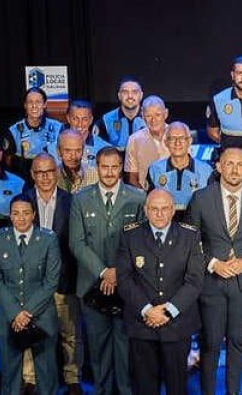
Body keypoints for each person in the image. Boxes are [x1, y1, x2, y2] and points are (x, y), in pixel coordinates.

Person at [187, 147, 242, 395]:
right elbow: (192, 243)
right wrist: (214, 263)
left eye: (240, 165)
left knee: (237, 343)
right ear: (219, 167)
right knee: (211, 344)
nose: (235, 169)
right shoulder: (201, 198)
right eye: (229, 163)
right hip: (211, 284)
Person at [70, 146, 146, 395]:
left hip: (127, 287)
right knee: (99, 350)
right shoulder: (80, 199)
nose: (110, 172)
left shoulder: (138, 198)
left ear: (121, 167)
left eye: (115, 167)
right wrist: (104, 272)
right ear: (97, 168)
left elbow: (141, 243)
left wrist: (118, 273)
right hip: (92, 287)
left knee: (125, 350)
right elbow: (77, 243)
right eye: (105, 167)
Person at [116, 189, 205, 395]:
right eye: (154, 209)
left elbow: (194, 281)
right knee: (144, 386)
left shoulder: (189, 235)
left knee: (176, 386)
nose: (159, 214)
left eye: (165, 209)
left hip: (176, 324)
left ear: (173, 210)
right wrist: (148, 310)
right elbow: (125, 279)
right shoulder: (130, 235)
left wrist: (167, 311)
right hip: (142, 324)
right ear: (145, 211)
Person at [0, 194, 62, 395]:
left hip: (42, 315)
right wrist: (15, 313)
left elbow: (51, 282)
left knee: (46, 372)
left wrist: (26, 312)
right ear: (10, 216)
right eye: (16, 213)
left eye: (26, 213)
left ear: (34, 215)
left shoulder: (48, 239)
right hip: (7, 316)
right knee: (10, 374)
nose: (21, 218)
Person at [24, 154, 83, 393]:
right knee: (31, 332)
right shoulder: (23, 201)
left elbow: (77, 243)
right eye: (40, 172)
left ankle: (72, 379)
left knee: (70, 334)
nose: (46, 177)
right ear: (32, 174)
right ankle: (30, 378)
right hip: (32, 284)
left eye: (50, 172)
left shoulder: (72, 201)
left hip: (64, 280)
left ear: (56, 173)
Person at [145, 122, 212, 216]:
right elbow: (150, 204)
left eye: (182, 138)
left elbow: (211, 205)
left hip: (196, 224)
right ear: (166, 142)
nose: (177, 143)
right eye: (172, 139)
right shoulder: (155, 169)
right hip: (165, 222)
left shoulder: (206, 170)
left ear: (190, 141)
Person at [2, 87, 65, 176]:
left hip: (52, 176)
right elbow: (8, 161)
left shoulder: (58, 127)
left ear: (45, 104)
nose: (34, 106)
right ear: (25, 105)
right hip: (24, 178)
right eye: (30, 102)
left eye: (38, 102)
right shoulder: (14, 130)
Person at [124, 96, 170, 190]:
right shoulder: (134, 140)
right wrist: (145, 197)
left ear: (165, 114)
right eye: (149, 116)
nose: (153, 120)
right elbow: (132, 177)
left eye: (157, 115)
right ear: (142, 115)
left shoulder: (178, 135)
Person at [47, 100, 107, 167]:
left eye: (85, 119)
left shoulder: (103, 148)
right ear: (68, 118)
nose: (80, 124)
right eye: (75, 119)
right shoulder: (52, 148)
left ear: (91, 120)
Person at [100, 77, 146, 150]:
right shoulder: (106, 120)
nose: (130, 96)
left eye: (135, 92)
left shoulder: (150, 118)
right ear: (119, 96)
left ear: (141, 95)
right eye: (125, 92)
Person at [55, 128, 99, 194]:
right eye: (68, 151)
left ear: (83, 151)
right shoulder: (52, 177)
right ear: (58, 151)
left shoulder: (95, 176)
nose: (73, 157)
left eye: (78, 151)